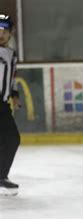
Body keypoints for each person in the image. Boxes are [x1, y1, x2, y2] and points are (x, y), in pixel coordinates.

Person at [0, 14, 21, 196]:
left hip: (3, 105)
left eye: (4, 31)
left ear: (10, 34)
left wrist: (14, 95)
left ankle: (1, 176)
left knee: (12, 139)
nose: (1, 34)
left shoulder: (12, 55)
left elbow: (11, 79)